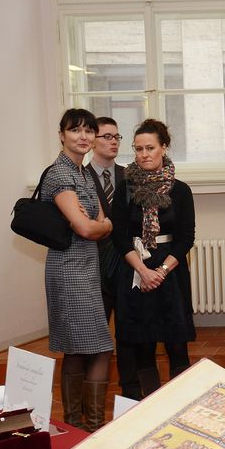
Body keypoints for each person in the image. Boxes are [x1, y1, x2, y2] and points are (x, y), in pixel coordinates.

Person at [39, 108, 114, 431]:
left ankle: (78, 426)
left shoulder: (82, 173)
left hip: (85, 267)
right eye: (75, 130)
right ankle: (86, 426)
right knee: (98, 347)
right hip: (69, 270)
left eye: (88, 130)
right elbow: (86, 227)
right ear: (61, 135)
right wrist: (102, 225)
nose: (83, 136)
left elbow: (95, 221)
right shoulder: (60, 174)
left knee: (80, 348)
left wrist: (98, 224)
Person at [111, 118, 195, 399]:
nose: (144, 154)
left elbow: (186, 237)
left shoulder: (180, 190)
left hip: (171, 271)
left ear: (164, 148)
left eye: (150, 148)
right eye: (138, 149)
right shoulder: (125, 189)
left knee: (177, 345)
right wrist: (144, 271)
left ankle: (181, 403)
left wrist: (161, 271)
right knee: (142, 345)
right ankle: (150, 404)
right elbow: (119, 236)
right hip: (136, 271)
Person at [89, 116, 125, 319]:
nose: (114, 142)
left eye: (117, 137)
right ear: (93, 141)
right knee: (97, 323)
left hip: (125, 260)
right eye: (107, 136)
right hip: (94, 261)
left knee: (127, 325)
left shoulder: (129, 176)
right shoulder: (81, 176)